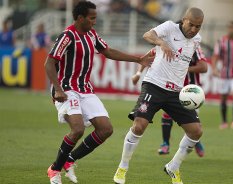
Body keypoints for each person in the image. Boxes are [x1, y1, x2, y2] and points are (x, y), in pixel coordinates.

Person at [44, 2, 152, 184]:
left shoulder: (91, 35)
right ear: (80, 18)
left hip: (85, 89)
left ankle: (69, 160)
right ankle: (54, 170)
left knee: (106, 129)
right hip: (66, 89)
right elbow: (49, 63)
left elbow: (108, 51)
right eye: (92, 18)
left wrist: (138, 59)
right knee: (77, 129)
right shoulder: (67, 36)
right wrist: (59, 89)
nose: (94, 22)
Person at [114, 7, 205, 184]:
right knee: (139, 126)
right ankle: (122, 167)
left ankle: (173, 167)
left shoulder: (196, 40)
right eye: (191, 25)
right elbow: (147, 35)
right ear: (184, 20)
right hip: (154, 86)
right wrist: (161, 42)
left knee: (196, 131)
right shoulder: (170, 27)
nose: (194, 29)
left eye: (198, 26)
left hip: (177, 93)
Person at [131, 46, 207, 157]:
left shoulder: (194, 47)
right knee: (167, 114)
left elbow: (204, 67)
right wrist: (138, 74)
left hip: (190, 91)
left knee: (192, 125)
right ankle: (165, 143)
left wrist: (182, 68)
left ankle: (196, 141)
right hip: (171, 88)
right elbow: (148, 56)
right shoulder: (168, 43)